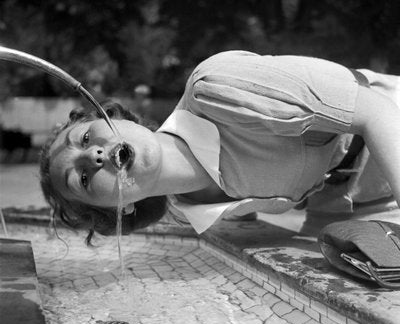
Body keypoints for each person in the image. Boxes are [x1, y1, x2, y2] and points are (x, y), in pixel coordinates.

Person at [40, 51, 400, 243]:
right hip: (353, 195)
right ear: (123, 208)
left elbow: (374, 111)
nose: (93, 155)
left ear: (120, 119)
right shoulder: (191, 210)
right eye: (82, 180)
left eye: (85, 138)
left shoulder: (215, 88)